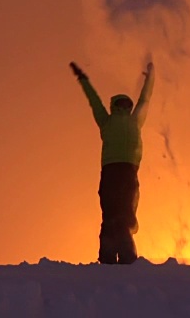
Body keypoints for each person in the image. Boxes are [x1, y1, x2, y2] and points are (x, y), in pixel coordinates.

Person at [69, 61, 155, 264]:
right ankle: (109, 254)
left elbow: (145, 99)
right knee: (111, 213)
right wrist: (83, 79)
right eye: (122, 103)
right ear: (115, 105)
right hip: (112, 172)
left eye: (128, 104)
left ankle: (123, 253)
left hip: (127, 172)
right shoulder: (106, 120)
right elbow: (94, 100)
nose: (126, 106)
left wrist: (150, 76)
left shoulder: (136, 120)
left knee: (125, 213)